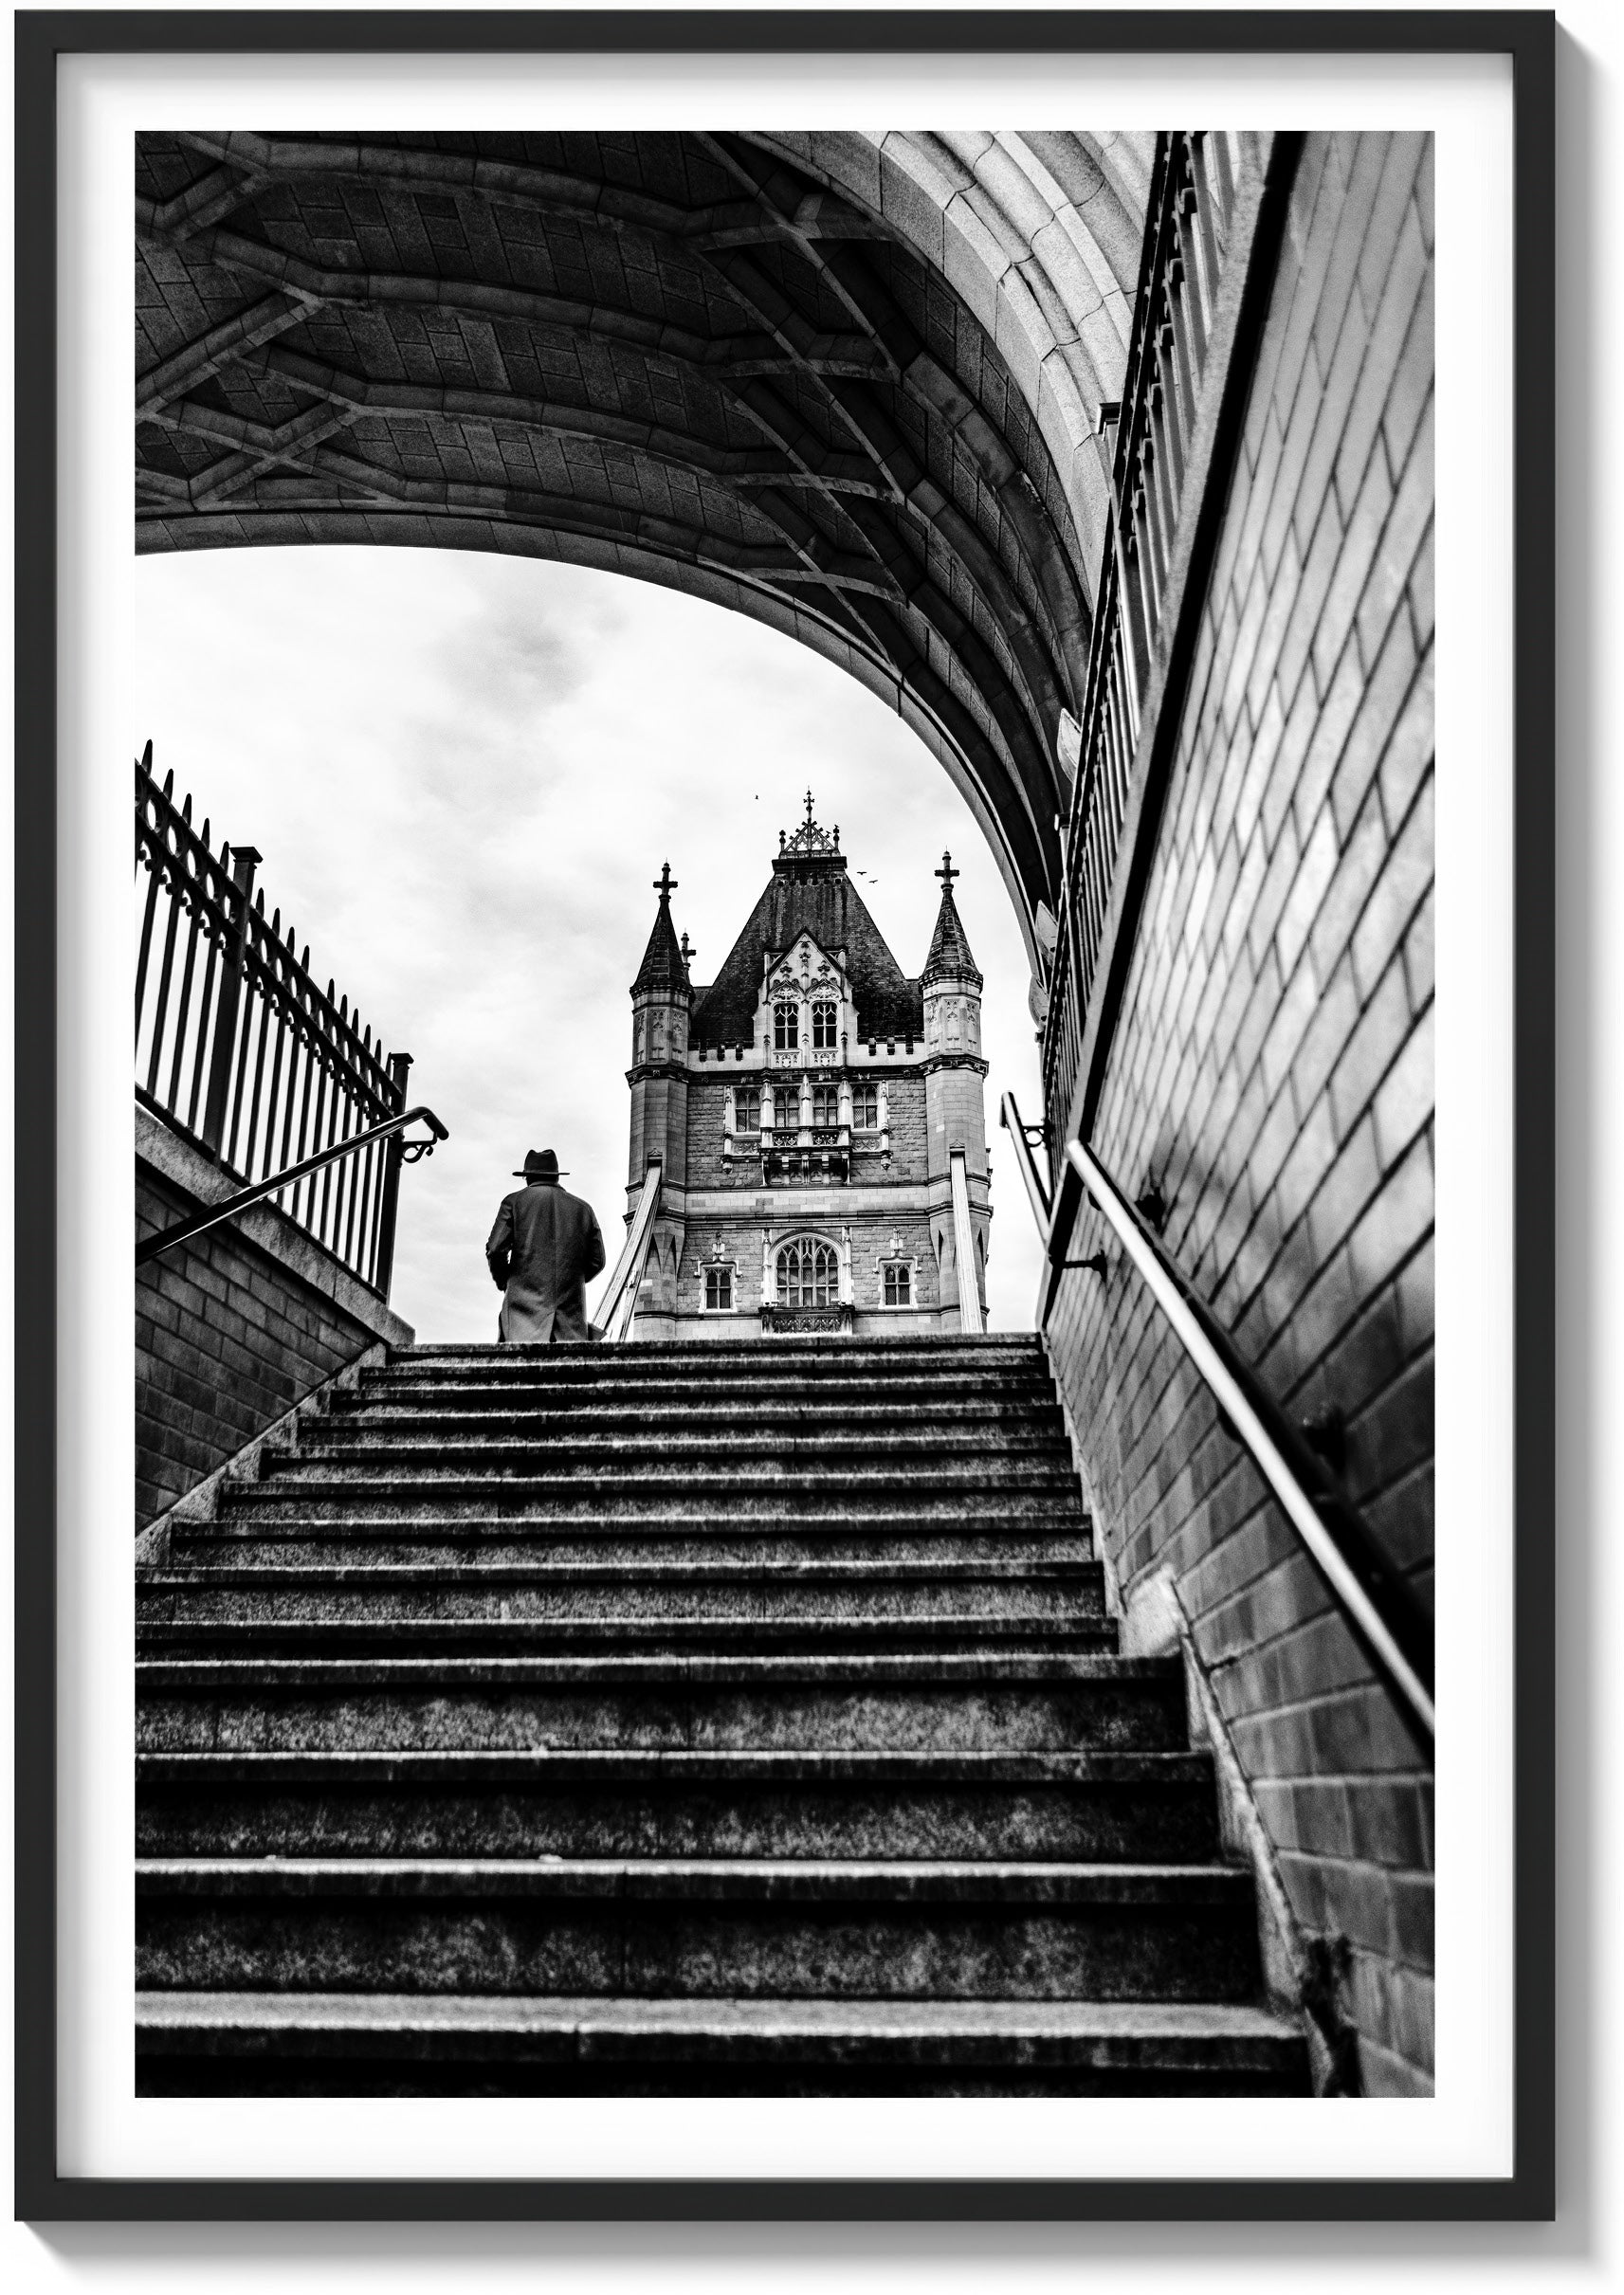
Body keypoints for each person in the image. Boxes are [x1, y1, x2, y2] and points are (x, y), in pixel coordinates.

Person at [484, 1148, 606, 1343]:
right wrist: (570, 1279)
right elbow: (597, 1261)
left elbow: (496, 1249)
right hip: (569, 1320)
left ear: (527, 1177)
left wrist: (505, 1281)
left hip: (522, 1316)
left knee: (519, 1370)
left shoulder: (514, 1202)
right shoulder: (583, 1209)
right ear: (556, 1177)